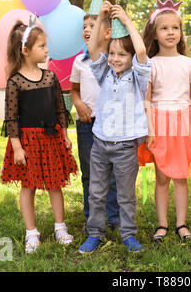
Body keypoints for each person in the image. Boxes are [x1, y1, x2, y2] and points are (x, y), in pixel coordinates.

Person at [78, 1, 151, 253]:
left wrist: (127, 21)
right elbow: (92, 48)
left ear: (130, 58)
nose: (116, 58)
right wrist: (100, 17)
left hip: (125, 146)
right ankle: (95, 233)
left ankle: (128, 234)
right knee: (96, 193)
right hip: (100, 144)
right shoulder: (103, 73)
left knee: (125, 196)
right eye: (112, 53)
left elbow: (141, 51)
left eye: (122, 54)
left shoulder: (138, 77)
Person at [0, 18, 78, 253]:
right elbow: (11, 117)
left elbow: (59, 109)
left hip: (51, 138)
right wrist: (17, 147)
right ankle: (31, 233)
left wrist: (64, 134)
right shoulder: (15, 83)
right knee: (29, 186)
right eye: (42, 46)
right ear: (26, 51)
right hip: (28, 142)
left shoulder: (50, 77)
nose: (47, 50)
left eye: (46, 45)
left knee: (56, 184)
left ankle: (60, 227)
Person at [141, 0, 191, 243]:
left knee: (181, 176)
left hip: (183, 124)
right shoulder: (151, 64)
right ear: (154, 34)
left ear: (181, 33)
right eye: (164, 28)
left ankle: (181, 223)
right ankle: (162, 224)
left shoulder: (189, 64)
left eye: (175, 27)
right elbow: (147, 100)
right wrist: (149, 129)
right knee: (162, 177)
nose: (170, 32)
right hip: (159, 124)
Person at [70, 13, 120, 231]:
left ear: (107, 33)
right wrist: (78, 103)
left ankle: (114, 217)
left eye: (93, 25)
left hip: (113, 125)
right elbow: (74, 90)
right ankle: (92, 218)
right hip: (87, 124)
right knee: (90, 173)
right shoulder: (79, 62)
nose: (87, 29)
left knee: (112, 174)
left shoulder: (116, 59)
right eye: (85, 26)